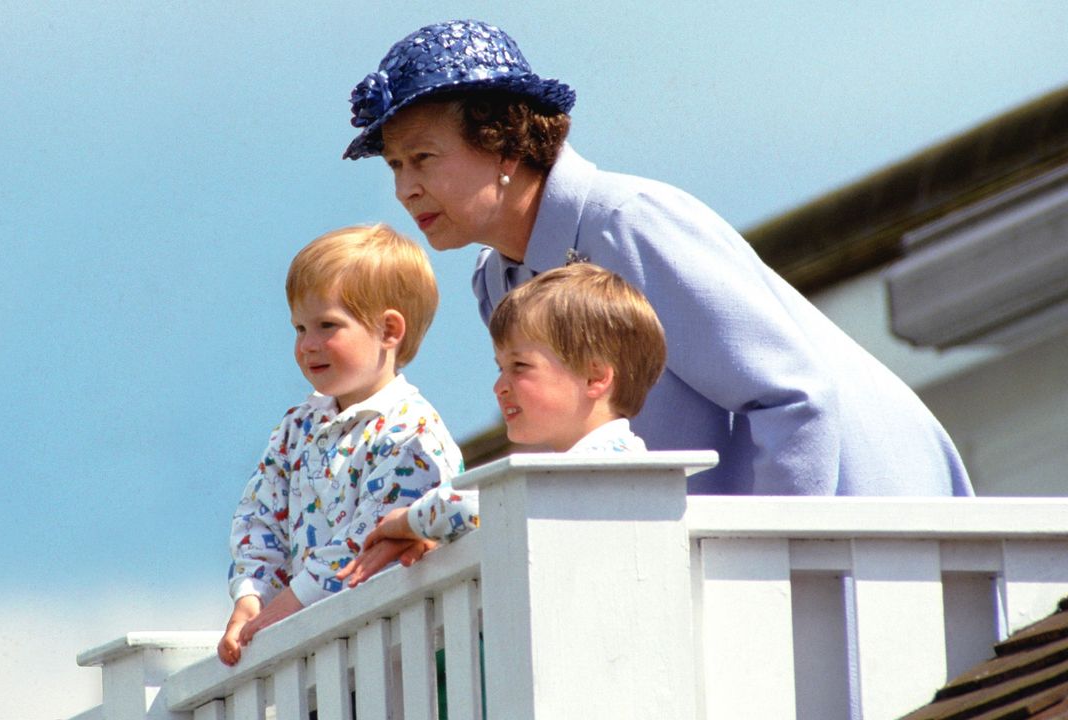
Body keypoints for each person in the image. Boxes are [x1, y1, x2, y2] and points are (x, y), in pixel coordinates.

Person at [341, 19, 973, 497]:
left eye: (423, 158)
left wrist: (760, 576)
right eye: (396, 165)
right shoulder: (498, 278)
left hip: (871, 529)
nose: (404, 189)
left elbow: (793, 398)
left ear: (503, 143)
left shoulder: (627, 222)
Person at [218, 224, 464, 666]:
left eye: (327, 325)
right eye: (299, 328)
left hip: (397, 652)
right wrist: (252, 596)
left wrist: (288, 605)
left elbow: (370, 536)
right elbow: (259, 513)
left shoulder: (411, 432)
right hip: (316, 656)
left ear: (390, 330)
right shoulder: (298, 427)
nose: (307, 345)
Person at [337, 262, 667, 587]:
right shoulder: (585, 470)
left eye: (520, 366)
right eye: (500, 369)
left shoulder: (605, 464)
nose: (500, 387)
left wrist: (407, 522)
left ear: (595, 377)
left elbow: (482, 505)